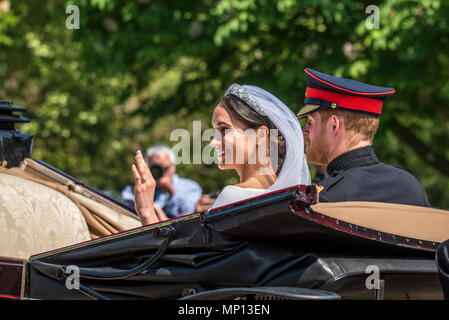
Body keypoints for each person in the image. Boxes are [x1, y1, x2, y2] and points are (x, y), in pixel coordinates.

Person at [132, 84, 311, 225]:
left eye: (224, 129)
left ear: (261, 135)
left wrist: (146, 210)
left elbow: (189, 268)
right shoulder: (289, 197)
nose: (213, 142)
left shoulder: (233, 197)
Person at [297, 68, 430, 207]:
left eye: (311, 121)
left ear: (333, 125)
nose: (304, 131)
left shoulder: (325, 199)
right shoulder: (410, 187)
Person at [123, 145, 202, 219]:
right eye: (155, 169)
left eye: (165, 168)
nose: (161, 172)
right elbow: (127, 209)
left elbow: (189, 214)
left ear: (173, 167)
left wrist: (172, 192)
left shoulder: (191, 187)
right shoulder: (136, 189)